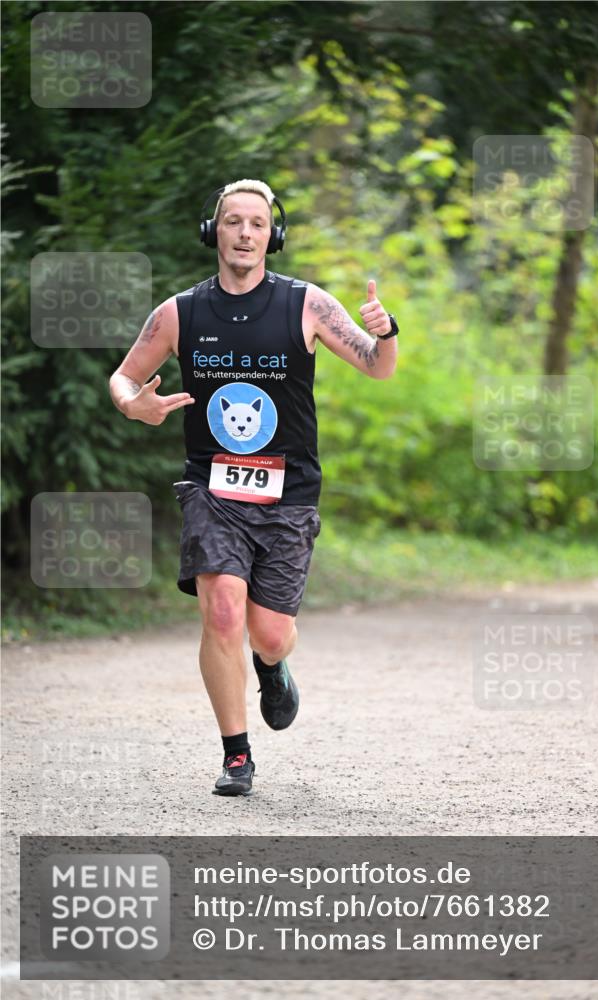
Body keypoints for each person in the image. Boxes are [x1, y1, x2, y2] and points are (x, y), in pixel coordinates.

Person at [109, 179, 398, 796]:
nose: (244, 233)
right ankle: (236, 755)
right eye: (233, 221)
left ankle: (272, 665)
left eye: (257, 224)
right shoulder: (179, 313)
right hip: (211, 488)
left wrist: (387, 330)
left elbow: (378, 366)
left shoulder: (307, 305)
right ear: (213, 231)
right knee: (221, 612)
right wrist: (136, 405)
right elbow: (124, 379)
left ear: (274, 235)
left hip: (288, 494)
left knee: (268, 634)